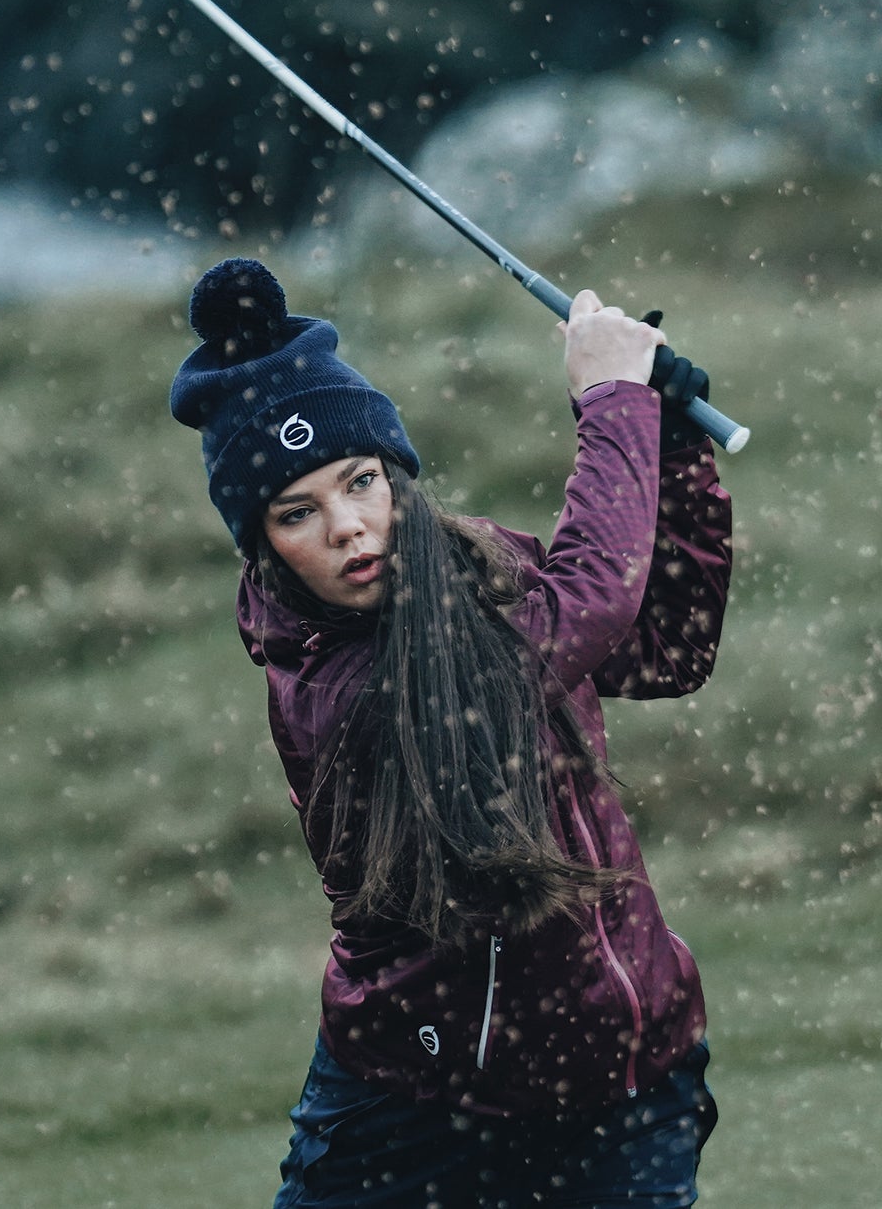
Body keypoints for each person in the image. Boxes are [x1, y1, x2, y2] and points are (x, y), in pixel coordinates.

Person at [170, 257, 733, 1208]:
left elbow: (660, 648)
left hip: (623, 1072)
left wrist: (669, 440)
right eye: (298, 512)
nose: (350, 527)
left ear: (394, 475)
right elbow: (583, 604)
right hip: (418, 1096)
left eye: (359, 482)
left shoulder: (474, 567)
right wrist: (609, 403)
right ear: (262, 542)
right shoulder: (333, 681)